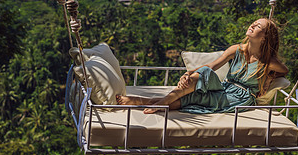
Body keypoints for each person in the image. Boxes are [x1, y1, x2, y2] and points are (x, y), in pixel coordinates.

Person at [117, 18, 288, 114]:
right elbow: (212, 66)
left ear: (265, 38)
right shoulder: (236, 50)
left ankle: (137, 101)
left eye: (258, 26)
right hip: (224, 88)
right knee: (203, 72)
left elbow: (284, 71)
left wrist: (267, 80)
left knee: (183, 101)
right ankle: (158, 103)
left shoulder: (268, 62)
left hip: (239, 99)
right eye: (254, 23)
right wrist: (189, 74)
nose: (252, 25)